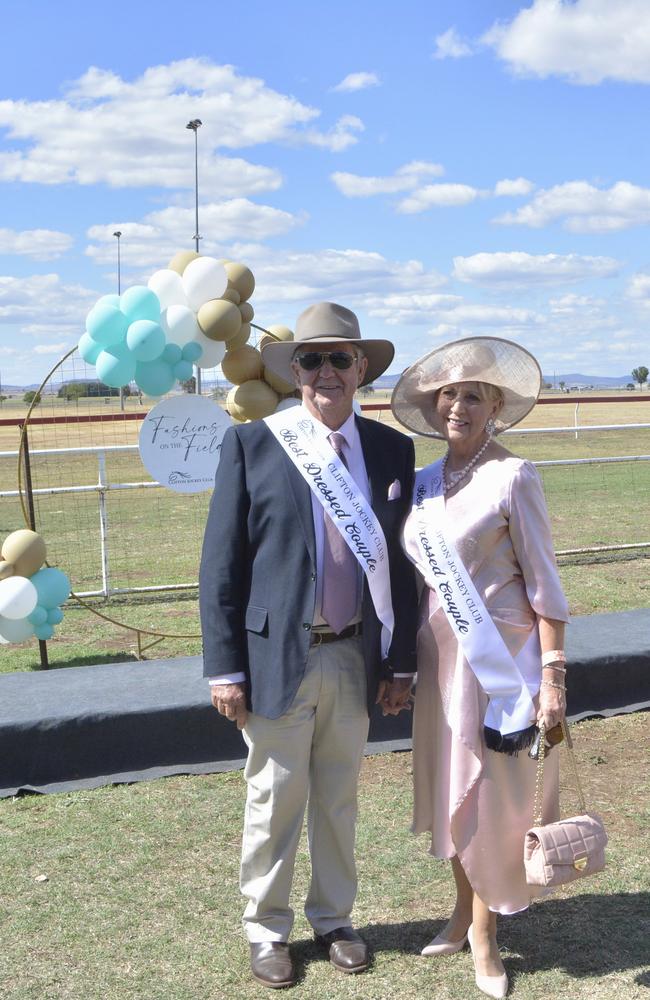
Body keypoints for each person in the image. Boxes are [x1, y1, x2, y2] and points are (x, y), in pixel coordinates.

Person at [200, 302, 418, 989]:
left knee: (338, 797)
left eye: (341, 359)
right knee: (274, 798)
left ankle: (334, 919)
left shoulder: (392, 450)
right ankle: (267, 929)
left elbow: (403, 564)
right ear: (294, 372)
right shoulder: (254, 444)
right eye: (313, 359)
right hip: (275, 659)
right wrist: (224, 668)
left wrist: (400, 658)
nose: (327, 372)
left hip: (355, 654)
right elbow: (221, 568)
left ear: (362, 371)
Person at [391, 337, 570, 999]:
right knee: (454, 793)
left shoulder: (513, 475)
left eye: (473, 394)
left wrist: (553, 675)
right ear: (434, 408)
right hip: (439, 667)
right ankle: (463, 911)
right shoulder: (421, 485)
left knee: (493, 799)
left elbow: (545, 585)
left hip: (502, 669)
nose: (458, 405)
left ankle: (487, 940)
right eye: (448, 395)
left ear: (495, 406)